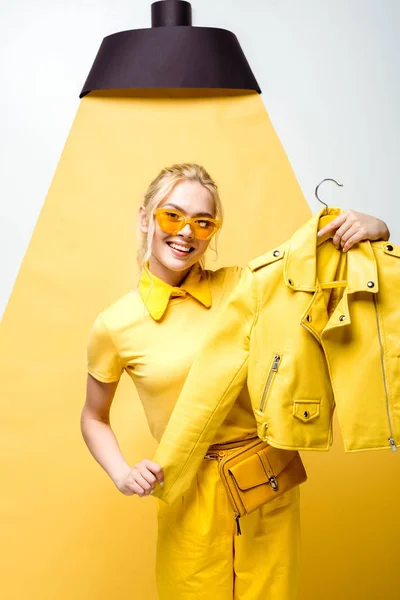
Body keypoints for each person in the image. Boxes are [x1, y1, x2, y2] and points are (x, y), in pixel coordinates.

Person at [81, 163, 390, 600]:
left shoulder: (245, 284)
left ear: (211, 232)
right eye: (173, 216)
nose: (186, 232)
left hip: (265, 479)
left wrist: (375, 226)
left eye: (202, 222)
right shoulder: (114, 325)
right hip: (185, 489)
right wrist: (121, 473)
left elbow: (313, 260)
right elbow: (93, 417)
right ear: (145, 218)